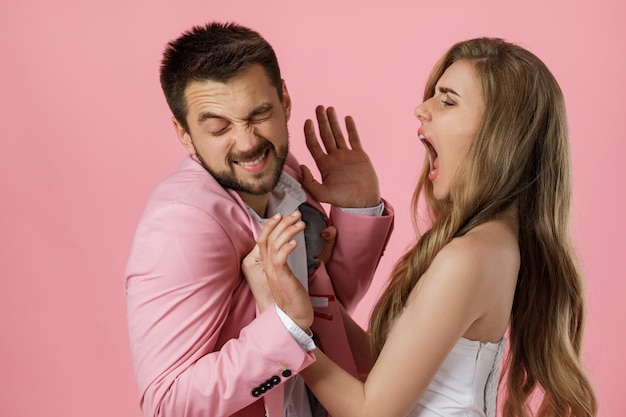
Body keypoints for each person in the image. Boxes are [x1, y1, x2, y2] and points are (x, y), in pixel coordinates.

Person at [244, 37, 598, 417]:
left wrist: (282, 325)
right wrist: (315, 285)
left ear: (499, 133)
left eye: (447, 100)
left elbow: (370, 411)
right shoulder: (494, 244)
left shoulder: (470, 256)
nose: (421, 109)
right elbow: (392, 373)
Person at [124, 22, 394, 417]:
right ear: (184, 133)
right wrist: (285, 326)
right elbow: (167, 404)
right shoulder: (181, 224)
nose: (248, 142)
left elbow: (326, 310)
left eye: (259, 114)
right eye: (219, 128)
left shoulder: (284, 174)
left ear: (284, 99)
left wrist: (358, 209)